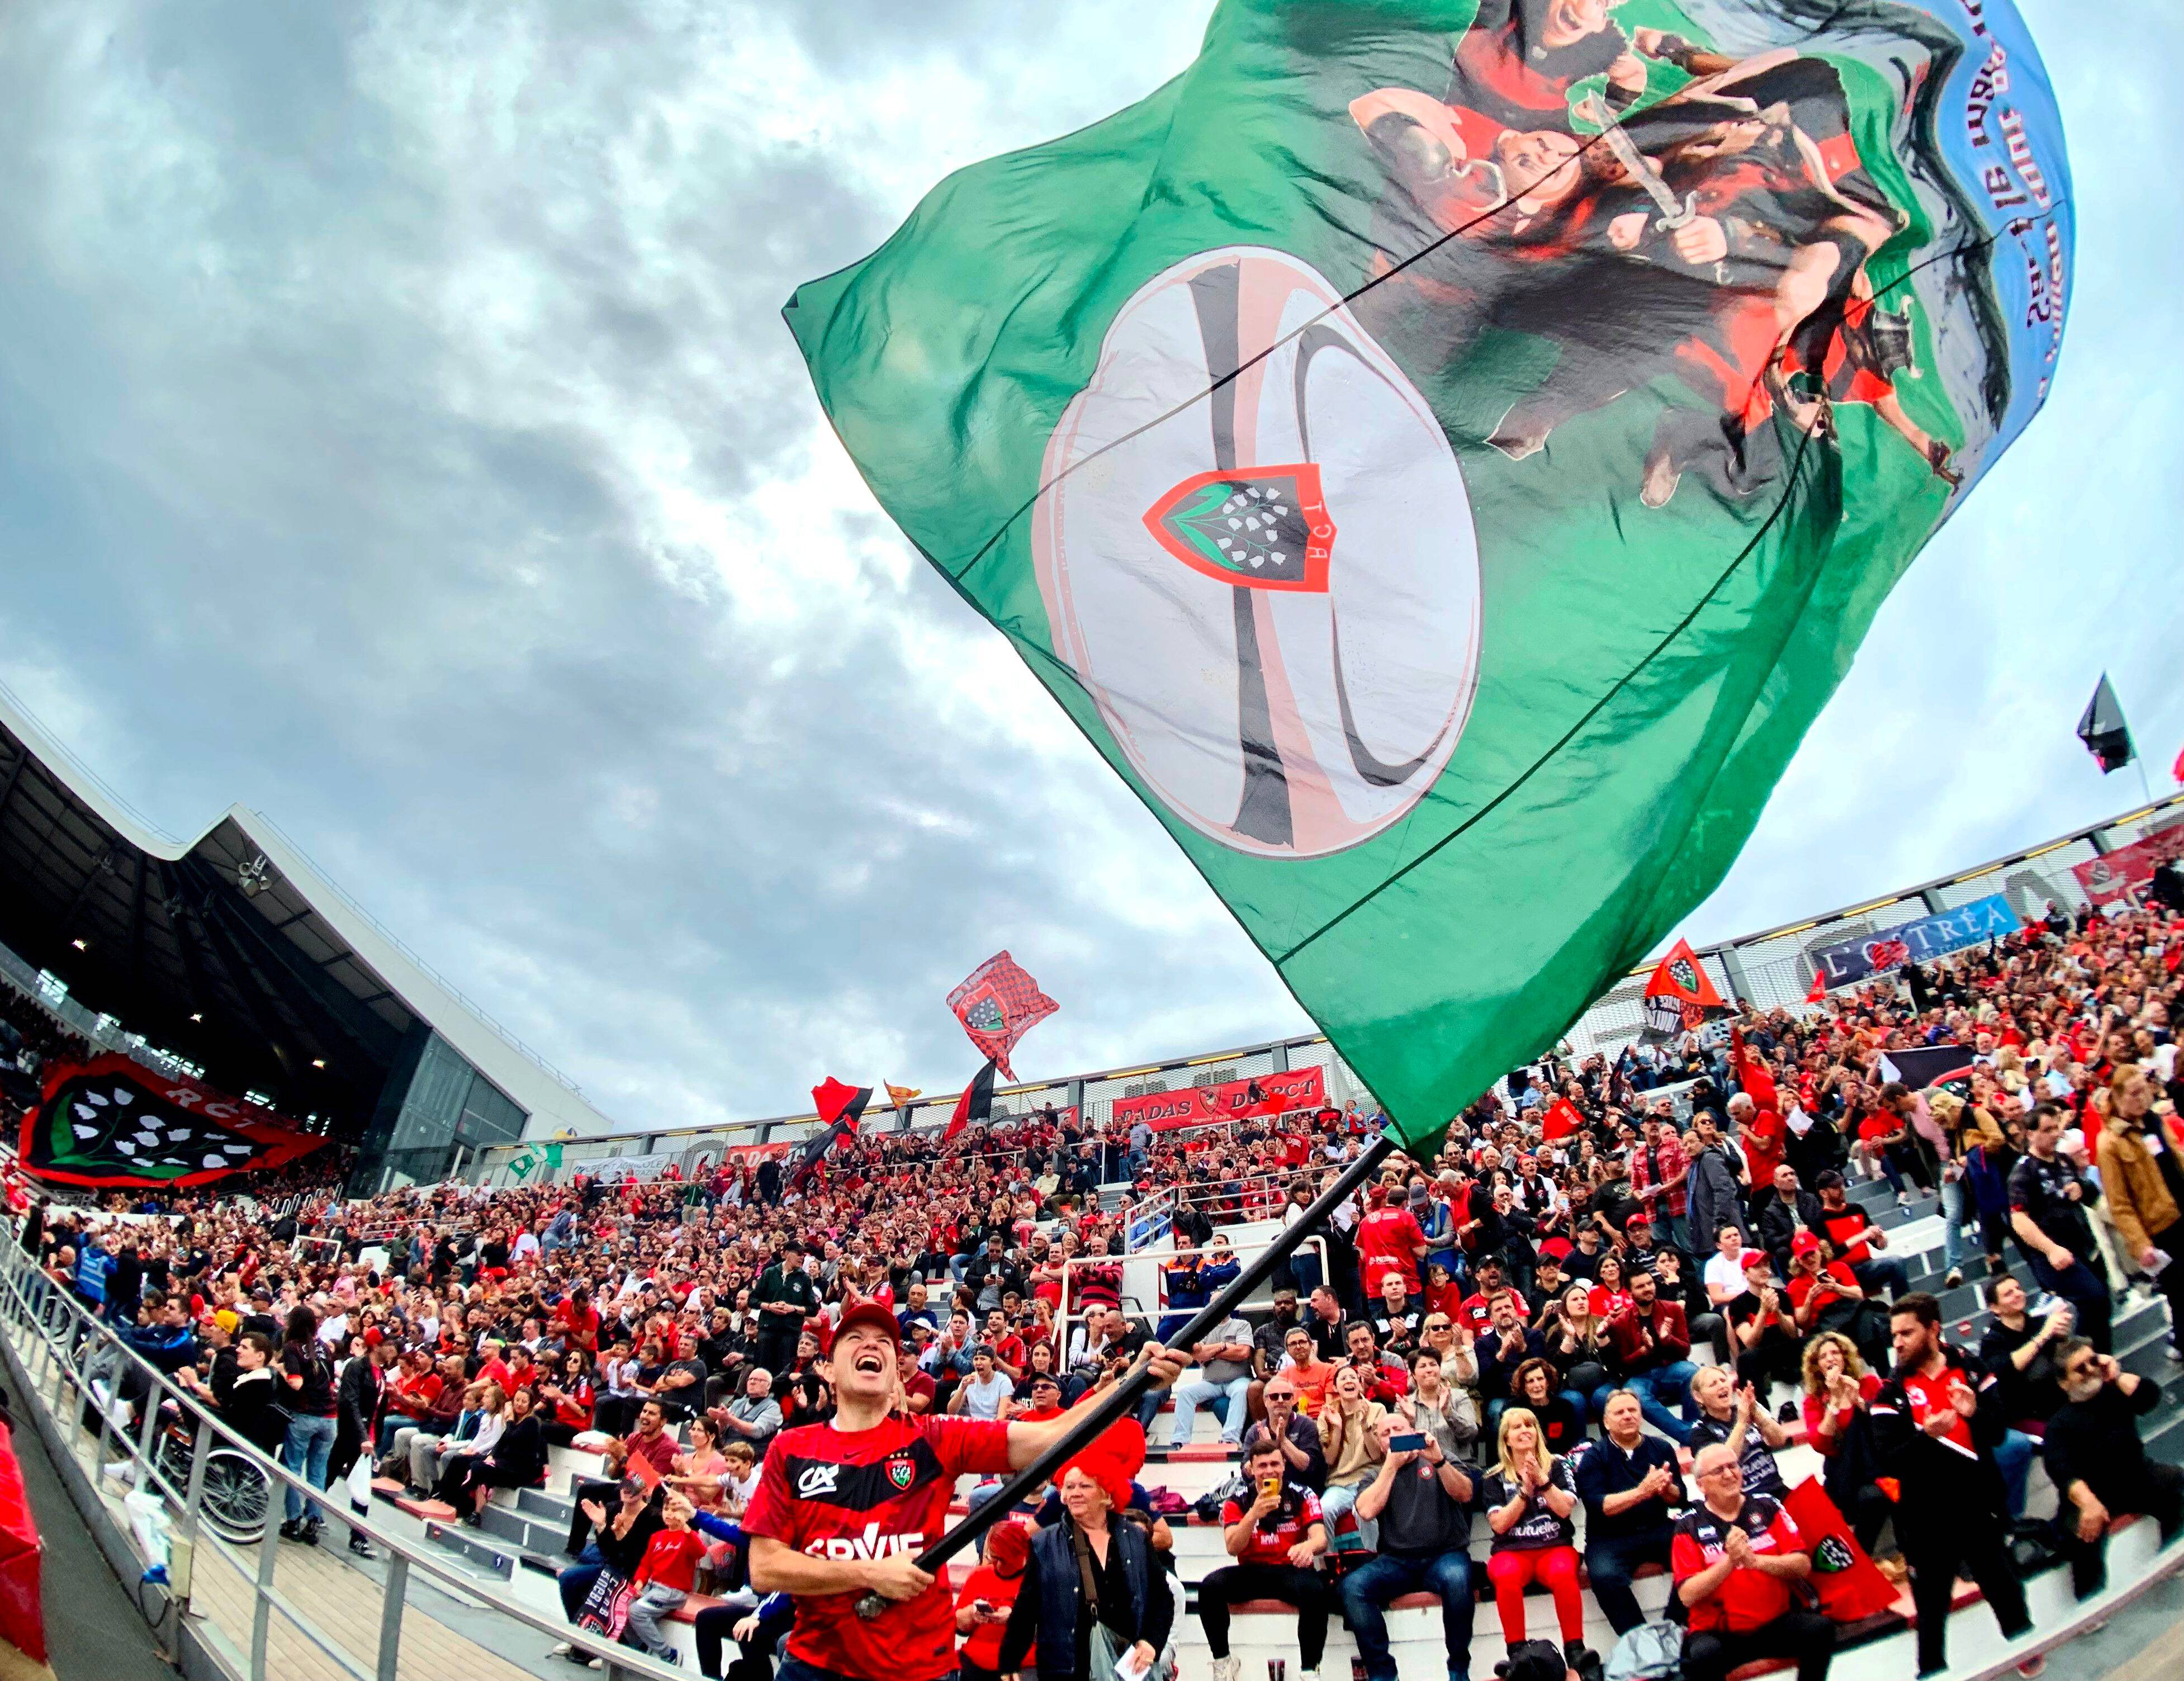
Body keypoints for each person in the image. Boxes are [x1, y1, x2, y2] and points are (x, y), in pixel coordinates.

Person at [743, 1301, 1181, 1681]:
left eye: (884, 1341)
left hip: (918, 1668)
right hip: (814, 1663)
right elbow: (765, 1567)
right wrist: (869, 1573)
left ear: (897, 1369)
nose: (871, 1345)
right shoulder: (791, 1447)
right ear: (829, 1367)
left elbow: (1053, 1436)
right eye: (854, 1337)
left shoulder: (933, 1435)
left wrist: (1133, 1381)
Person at [1870, 1293, 2036, 1678]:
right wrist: (1926, 1436)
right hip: (1924, 1519)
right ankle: (1931, 1674)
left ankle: (2029, 1652)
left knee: (2005, 1590)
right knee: (1930, 1612)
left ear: (1932, 1328)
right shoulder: (1889, 1392)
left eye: (1906, 1333)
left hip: (1977, 1507)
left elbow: (1997, 1432)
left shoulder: (1972, 1369)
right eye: (1894, 1334)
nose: (1897, 1342)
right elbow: (1887, 1460)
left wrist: (1974, 1412)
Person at [995, 1459, 1171, 1681]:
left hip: (1126, 1667)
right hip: (1066, 1669)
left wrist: (1151, 1642)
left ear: (1107, 1494)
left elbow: (1162, 1598)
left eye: (1085, 1486)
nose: (1075, 1493)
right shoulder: (1045, 1544)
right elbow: (1026, 1610)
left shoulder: (1135, 1538)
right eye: (1069, 1487)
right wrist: (1009, 1662)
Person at [1673, 1442, 1834, 1681]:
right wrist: (1730, 1563)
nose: (1729, 1474)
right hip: (1720, 1634)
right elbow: (1687, 1595)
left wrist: (1756, 1561)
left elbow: (1802, 1565)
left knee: (1821, 1630)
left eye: (1733, 1466)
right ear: (1700, 1485)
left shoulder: (1767, 1506)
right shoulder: (1687, 1526)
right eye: (1718, 1471)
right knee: (1702, 1657)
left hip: (1774, 1624)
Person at [2043, 1336, 2183, 1598]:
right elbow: (2062, 1471)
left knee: (2176, 1484)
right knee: (2083, 1534)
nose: (2090, 1371)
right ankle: (2091, 1605)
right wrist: (2088, 1503)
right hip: (2094, 1494)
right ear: (2064, 1383)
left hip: (2136, 1479)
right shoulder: (2059, 1425)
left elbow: (2150, 1398)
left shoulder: (2116, 1392)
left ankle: (2172, 1559)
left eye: (2093, 1361)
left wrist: (2116, 1375)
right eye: (2080, 1368)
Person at [1341, 1413, 1477, 1681]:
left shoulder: (1440, 1457)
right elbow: (1366, 1511)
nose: (1393, 1435)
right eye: (1386, 1432)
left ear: (1413, 1431)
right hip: (1397, 1561)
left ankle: (1459, 1668)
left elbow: (1465, 1493)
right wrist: (1390, 1468)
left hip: (1445, 1554)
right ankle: (1383, 1674)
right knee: (1353, 1587)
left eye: (1399, 1429)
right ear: (1380, 1443)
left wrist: (1438, 1461)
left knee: (1458, 1578)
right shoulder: (1375, 1475)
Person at [1196, 1438, 1329, 1681]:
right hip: (1253, 1570)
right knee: (1209, 1587)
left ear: (1284, 1465)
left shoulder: (1303, 1493)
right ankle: (1223, 1661)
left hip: (1291, 1569)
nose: (1270, 1471)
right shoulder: (1237, 1499)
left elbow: (1321, 1539)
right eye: (1263, 1466)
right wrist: (1254, 1514)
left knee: (1316, 1591)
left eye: (1275, 1464)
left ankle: (1310, 1670)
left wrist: (1308, 1545)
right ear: (1252, 1469)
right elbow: (1233, 1547)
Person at [1479, 1408, 1586, 1668]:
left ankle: (1575, 1650)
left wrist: (1543, 1481)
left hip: (1554, 1547)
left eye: (1529, 1425)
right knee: (1504, 1575)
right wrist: (1526, 1491)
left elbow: (1564, 1509)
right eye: (1516, 1427)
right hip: (1511, 1551)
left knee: (1563, 1574)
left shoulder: (1559, 1465)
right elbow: (1500, 1525)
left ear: (1538, 1433)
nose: (1525, 1431)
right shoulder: (1493, 1477)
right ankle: (1516, 1654)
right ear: (1506, 1439)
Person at [2091, 1069, 2184, 1360]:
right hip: (2159, 1228)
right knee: (2179, 1291)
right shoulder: (2109, 1144)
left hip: (2182, 1209)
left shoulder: (2155, 1121)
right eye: (2133, 1093)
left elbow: (2178, 1157)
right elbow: (2119, 1204)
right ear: (2117, 1098)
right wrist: (2140, 1243)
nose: (2142, 1098)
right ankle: (2180, 1342)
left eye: (2144, 1090)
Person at [1575, 1388, 1682, 1638]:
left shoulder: (1662, 1448)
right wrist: (1643, 1492)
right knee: (1604, 1577)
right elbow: (1600, 1506)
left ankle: (1673, 1629)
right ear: (1606, 1421)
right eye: (1619, 1412)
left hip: (1657, 1528)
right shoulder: (1593, 1457)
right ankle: (1640, 1641)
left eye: (1632, 1410)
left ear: (1641, 1415)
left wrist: (1667, 1490)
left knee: (1696, 1549)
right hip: (1610, 1539)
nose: (1627, 1416)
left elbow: (1680, 1498)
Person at [2008, 1103, 2114, 1352]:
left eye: (2057, 1127)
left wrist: (2082, 1188)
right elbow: (2019, 1220)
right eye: (2047, 1129)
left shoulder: (2065, 1160)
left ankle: (2103, 1361)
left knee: (2103, 1305)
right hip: (2056, 1255)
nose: (2055, 1133)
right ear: (2031, 1134)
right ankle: (2077, 1360)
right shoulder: (2023, 1172)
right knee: (2093, 1297)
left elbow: (2089, 1192)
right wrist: (2051, 1249)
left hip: (2085, 1246)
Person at [1798, 1333, 1888, 1553]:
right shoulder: (1814, 1401)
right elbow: (1820, 1443)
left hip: (1876, 1467)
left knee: (1873, 1498)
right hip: (1843, 1473)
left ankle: (1862, 1554)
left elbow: (1885, 1423)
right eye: (1823, 1356)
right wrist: (1835, 1402)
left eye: (1835, 1353)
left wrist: (1858, 1400)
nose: (1830, 1359)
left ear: (1846, 1357)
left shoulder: (1869, 1383)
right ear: (1817, 1366)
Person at [1602, 1270, 1698, 1443]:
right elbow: (1622, 1365)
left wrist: (1669, 1339)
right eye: (1640, 1287)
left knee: (1693, 1373)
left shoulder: (1673, 1309)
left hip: (1671, 1368)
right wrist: (1642, 1352)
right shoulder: (1621, 1322)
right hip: (1640, 1376)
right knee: (1636, 1397)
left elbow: (1685, 1350)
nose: (1647, 1289)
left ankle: (1694, 1426)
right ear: (1630, 1294)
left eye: (1649, 1284)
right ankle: (1689, 1435)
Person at [276, 1304, 340, 1546]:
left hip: (305, 1415)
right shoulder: (325, 1348)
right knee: (318, 1472)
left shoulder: (292, 1348)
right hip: (329, 1418)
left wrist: (279, 1370)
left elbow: (296, 1384)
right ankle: (313, 1520)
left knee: (292, 1467)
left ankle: (292, 1520)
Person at [1977, 1275, 2072, 1428]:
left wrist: (2062, 1336)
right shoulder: (1991, 1342)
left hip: (2060, 1399)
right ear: (1995, 1308)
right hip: (2024, 1413)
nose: (2018, 1294)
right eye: (2008, 1294)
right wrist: (2044, 1335)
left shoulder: (2040, 1323)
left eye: (2019, 1289)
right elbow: (2007, 1371)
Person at [1686, 1366, 1788, 1499]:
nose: (1722, 1386)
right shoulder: (1699, 1432)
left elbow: (1780, 1440)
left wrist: (1756, 1413)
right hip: (1743, 1501)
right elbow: (1723, 1462)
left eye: (1723, 1380)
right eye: (1713, 1384)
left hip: (1776, 1488)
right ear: (1698, 1397)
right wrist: (1742, 1423)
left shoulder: (1745, 1409)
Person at [1314, 1363, 1387, 1548]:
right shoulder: (1326, 1415)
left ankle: (1373, 1561)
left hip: (1370, 1479)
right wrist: (1337, 1429)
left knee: (1364, 1512)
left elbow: (1376, 1455)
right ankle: (1329, 1563)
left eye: (1353, 1377)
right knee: (1323, 1510)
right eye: (1344, 1378)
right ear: (1336, 1388)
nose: (1349, 1381)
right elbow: (1330, 1460)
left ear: (1360, 1384)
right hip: (1339, 1484)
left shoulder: (1377, 1409)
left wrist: (1364, 1424)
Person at [953, 1520, 1032, 1681]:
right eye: (993, 1558)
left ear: (1022, 1554)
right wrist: (971, 1613)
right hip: (977, 1659)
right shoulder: (980, 1576)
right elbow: (958, 1626)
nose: (997, 1565)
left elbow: (1051, 1626)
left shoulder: (1036, 1579)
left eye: (1003, 1560)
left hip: (1023, 1661)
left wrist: (1015, 1618)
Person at [1165, 1305, 1254, 1448]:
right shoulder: (1205, 1330)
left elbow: (1243, 1353)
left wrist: (1211, 1352)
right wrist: (1224, 1346)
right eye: (1214, 1304)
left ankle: (1230, 1439)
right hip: (1211, 1384)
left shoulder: (1242, 1325)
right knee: (1185, 1393)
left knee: (1240, 1391)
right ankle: (1180, 1440)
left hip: (1238, 1380)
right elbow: (1196, 1355)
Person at [1239, 1375, 1325, 1492]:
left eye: (1286, 1396)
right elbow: (1246, 1473)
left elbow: (1308, 1467)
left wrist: (1283, 1441)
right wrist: (1263, 1450)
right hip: (1266, 1491)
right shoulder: (1255, 1431)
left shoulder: (1307, 1425)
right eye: (1274, 1397)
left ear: (1293, 1400)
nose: (1280, 1400)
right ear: (1265, 1401)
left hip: (1302, 1491)